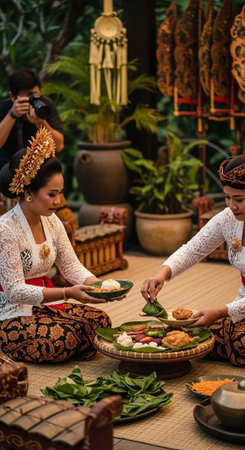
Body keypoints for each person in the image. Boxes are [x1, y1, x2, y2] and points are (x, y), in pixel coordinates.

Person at [0, 127, 112, 364]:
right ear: (28, 193)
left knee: (100, 322)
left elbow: (71, 267)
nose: (58, 201)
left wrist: (100, 287)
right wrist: (67, 293)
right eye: (52, 194)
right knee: (64, 338)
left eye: (60, 193)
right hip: (11, 312)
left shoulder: (53, 222)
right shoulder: (5, 229)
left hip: (47, 303)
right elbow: (14, 291)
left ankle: (73, 341)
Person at [141, 155, 245, 367]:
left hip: (236, 308)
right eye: (227, 197)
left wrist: (222, 311)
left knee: (238, 342)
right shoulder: (228, 218)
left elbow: (222, 313)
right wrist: (161, 273)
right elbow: (192, 250)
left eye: (239, 199)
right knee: (200, 336)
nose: (232, 206)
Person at [0, 68, 64, 170]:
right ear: (12, 96)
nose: (32, 101)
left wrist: (41, 123)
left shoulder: (45, 105)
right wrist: (12, 115)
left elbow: (59, 145)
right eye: (27, 97)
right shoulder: (4, 107)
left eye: (35, 95)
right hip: (7, 172)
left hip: (40, 171)